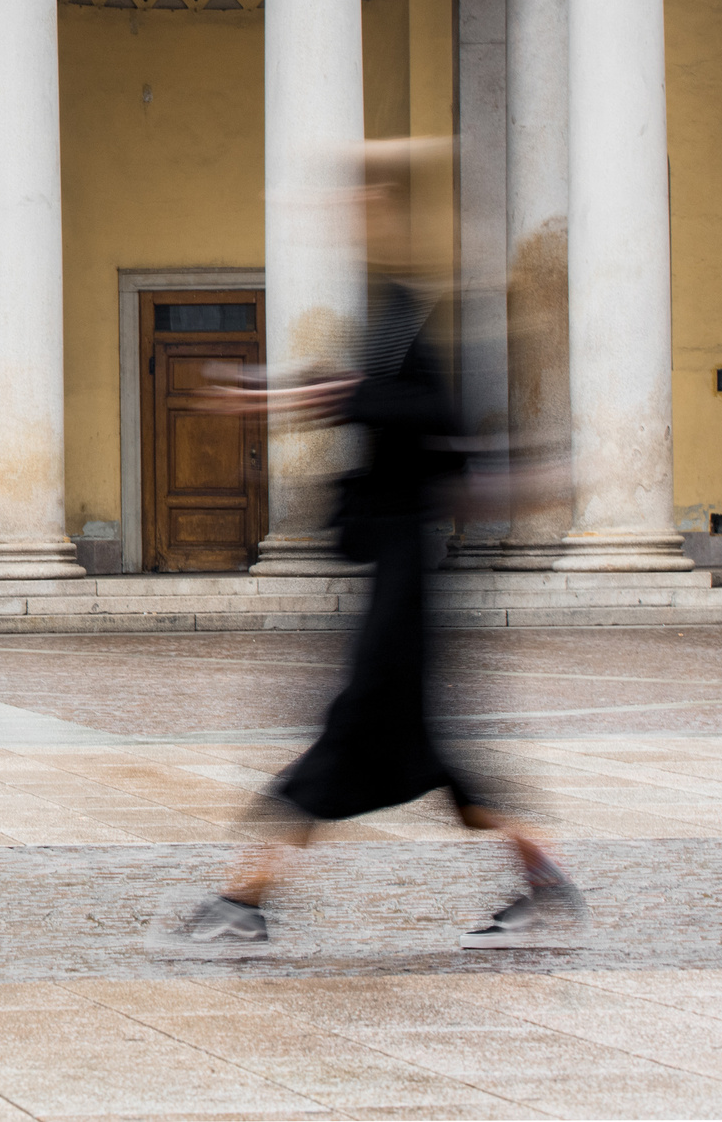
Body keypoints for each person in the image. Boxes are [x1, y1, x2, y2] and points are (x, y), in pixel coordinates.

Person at [164, 143, 583, 956]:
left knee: (356, 735)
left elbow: (427, 409)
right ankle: (545, 885)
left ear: (392, 211)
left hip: (405, 568)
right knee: (434, 757)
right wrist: (280, 391)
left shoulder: (418, 310)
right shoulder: (390, 308)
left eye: (359, 204)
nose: (342, 217)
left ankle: (240, 900)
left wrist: (329, 393)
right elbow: (366, 394)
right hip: (397, 562)